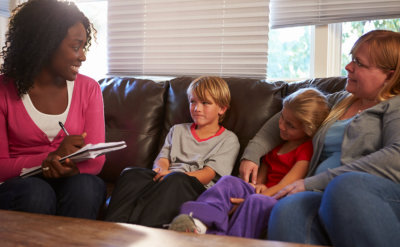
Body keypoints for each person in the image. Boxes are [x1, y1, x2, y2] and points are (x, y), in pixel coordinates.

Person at [242, 30, 400, 246]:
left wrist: (312, 182)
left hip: (371, 194)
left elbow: (396, 156)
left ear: (389, 76)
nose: (348, 67)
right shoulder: (341, 100)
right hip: (320, 191)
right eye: (352, 59)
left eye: (359, 63)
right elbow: (289, 114)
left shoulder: (395, 105)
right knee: (288, 208)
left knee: (344, 186)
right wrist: (252, 154)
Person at [168, 88, 330, 238]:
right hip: (264, 191)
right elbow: (261, 176)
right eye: (282, 118)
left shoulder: (305, 150)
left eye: (290, 125)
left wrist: (255, 196)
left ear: (308, 130)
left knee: (255, 202)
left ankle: (230, 240)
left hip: (280, 198)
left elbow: (285, 186)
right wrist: (257, 186)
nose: (281, 125)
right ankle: (199, 221)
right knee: (229, 182)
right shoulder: (278, 145)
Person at [0, 0, 106, 219]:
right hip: (20, 186)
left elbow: (97, 159)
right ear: (45, 44)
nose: (83, 56)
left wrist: (70, 167)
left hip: (70, 180)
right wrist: (48, 158)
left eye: (83, 47)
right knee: (37, 193)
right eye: (75, 47)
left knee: (86, 187)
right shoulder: (3, 91)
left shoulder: (89, 89)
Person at [105, 76, 240, 228]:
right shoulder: (177, 130)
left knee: (176, 180)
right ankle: (113, 229)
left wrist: (172, 176)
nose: (197, 108)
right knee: (131, 174)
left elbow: (208, 174)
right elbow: (162, 159)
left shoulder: (228, 139)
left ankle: (146, 232)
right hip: (167, 179)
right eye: (193, 101)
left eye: (205, 103)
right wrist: (162, 171)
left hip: (194, 187)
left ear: (222, 108)